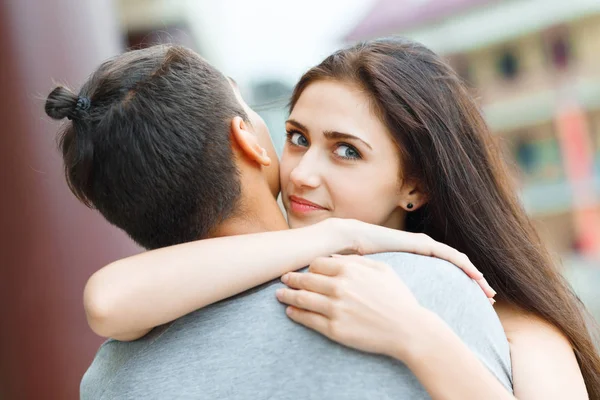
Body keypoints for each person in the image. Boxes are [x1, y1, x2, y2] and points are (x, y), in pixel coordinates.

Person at [64, 37, 600, 398]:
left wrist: (415, 335)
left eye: (346, 151)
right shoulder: (222, 280)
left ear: (416, 184)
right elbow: (109, 298)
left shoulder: (509, 322)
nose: (302, 175)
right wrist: (342, 235)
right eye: (297, 138)